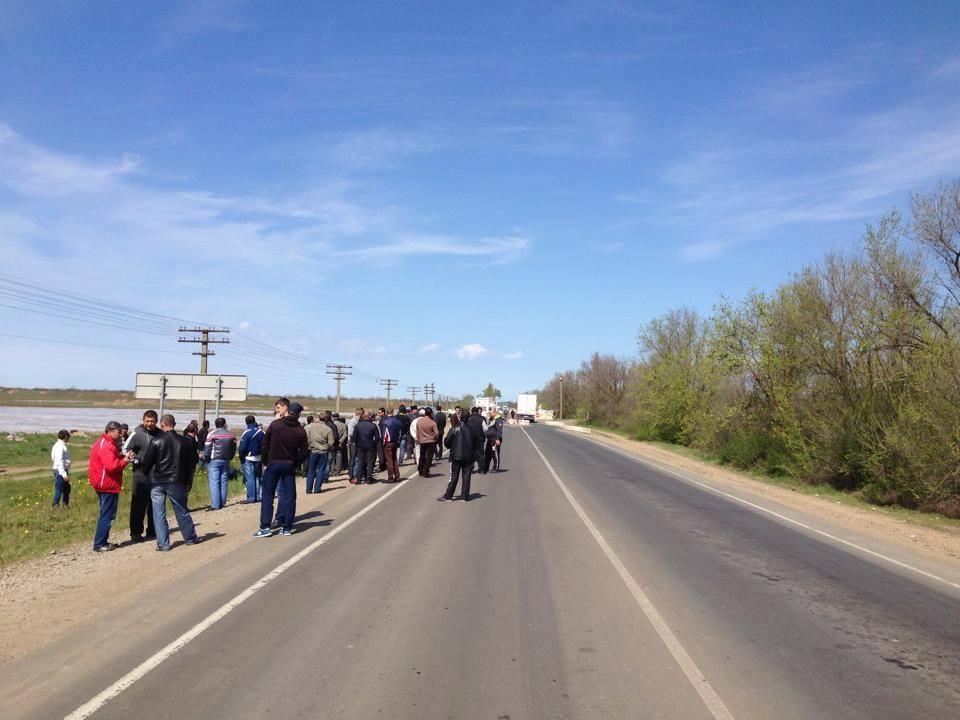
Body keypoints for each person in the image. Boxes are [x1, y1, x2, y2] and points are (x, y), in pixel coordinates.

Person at [140, 414, 201, 551]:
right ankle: (190, 538)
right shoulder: (184, 441)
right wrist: (187, 480)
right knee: (181, 510)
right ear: (174, 424)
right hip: (176, 480)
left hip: (157, 481)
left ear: (162, 425)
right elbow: (190, 463)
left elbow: (147, 462)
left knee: (158, 513)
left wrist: (147, 474)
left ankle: (163, 544)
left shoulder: (156, 440)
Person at [254, 399, 308, 537]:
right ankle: (287, 527)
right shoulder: (300, 431)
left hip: (273, 464)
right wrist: (295, 463)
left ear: (287, 410)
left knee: (268, 496)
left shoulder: (275, 425)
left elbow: (265, 445)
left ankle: (265, 527)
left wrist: (265, 461)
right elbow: (304, 452)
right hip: (288, 465)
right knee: (289, 497)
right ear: (298, 415)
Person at [88, 421, 135, 552]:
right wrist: (125, 460)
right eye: (119, 432)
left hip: (103, 483)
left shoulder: (107, 443)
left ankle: (102, 541)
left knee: (106, 513)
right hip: (107, 484)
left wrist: (122, 457)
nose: (121, 434)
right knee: (108, 515)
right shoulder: (106, 445)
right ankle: (99, 543)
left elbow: (112, 460)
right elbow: (111, 466)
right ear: (110, 431)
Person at [123, 410, 160, 542]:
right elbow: (125, 449)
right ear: (143, 420)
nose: (149, 424)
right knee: (138, 505)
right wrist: (137, 459)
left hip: (157, 475)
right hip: (140, 475)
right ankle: (136, 533)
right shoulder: (137, 434)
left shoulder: (161, 434)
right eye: (147, 421)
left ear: (157, 421)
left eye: (152, 421)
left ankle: (153, 530)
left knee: (155, 504)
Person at [438, 414, 474, 501]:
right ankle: (464, 496)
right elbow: (476, 443)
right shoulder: (472, 430)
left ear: (461, 418)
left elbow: (447, 442)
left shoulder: (454, 428)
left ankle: (448, 495)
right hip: (468, 456)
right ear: (468, 418)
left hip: (456, 456)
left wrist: (452, 446)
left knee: (454, 476)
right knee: (466, 476)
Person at [203, 417, 236, 510]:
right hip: (226, 460)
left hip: (214, 460)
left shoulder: (212, 434)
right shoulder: (231, 434)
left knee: (214, 482)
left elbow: (207, 448)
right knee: (224, 481)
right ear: (224, 424)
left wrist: (206, 458)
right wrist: (230, 457)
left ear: (216, 424)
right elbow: (233, 448)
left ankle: (215, 504)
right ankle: (222, 503)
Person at [305, 412, 335, 493]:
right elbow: (331, 442)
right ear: (326, 419)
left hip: (313, 450)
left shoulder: (312, 427)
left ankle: (308, 489)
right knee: (321, 470)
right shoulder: (328, 429)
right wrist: (327, 447)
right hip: (323, 451)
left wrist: (311, 445)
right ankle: (317, 489)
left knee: (311, 470)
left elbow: (307, 437)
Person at [238, 415, 264, 503]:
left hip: (248, 457)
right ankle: (258, 496)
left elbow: (242, 447)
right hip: (259, 457)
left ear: (246, 423)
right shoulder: (262, 432)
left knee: (250, 478)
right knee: (257, 477)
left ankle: (251, 497)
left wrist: (241, 457)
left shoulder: (246, 433)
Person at [351, 411, 380, 484]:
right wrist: (374, 444)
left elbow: (354, 437)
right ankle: (369, 479)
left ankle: (359, 479)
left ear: (363, 416)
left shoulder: (358, 425)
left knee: (360, 462)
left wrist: (357, 443)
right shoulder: (373, 426)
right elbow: (377, 438)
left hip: (360, 446)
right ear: (369, 416)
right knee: (369, 463)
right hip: (370, 445)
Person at [415, 407, 439, 477]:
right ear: (431, 413)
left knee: (422, 456)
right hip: (431, 441)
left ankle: (420, 469)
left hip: (422, 441)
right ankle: (426, 470)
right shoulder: (433, 422)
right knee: (429, 457)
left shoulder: (419, 421)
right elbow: (437, 433)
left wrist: (418, 438)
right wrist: (435, 438)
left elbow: (417, 431)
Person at [51, 429, 72, 507]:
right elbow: (60, 461)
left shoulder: (57, 445)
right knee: (59, 489)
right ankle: (54, 505)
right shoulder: (60, 446)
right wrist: (64, 474)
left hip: (60, 469)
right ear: (66, 436)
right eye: (68, 437)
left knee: (66, 489)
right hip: (60, 470)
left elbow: (53, 457)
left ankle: (65, 505)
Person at [381, 409, 402, 482]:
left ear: (387, 413)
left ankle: (390, 477)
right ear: (392, 413)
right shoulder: (397, 421)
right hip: (395, 442)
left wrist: (383, 443)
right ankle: (397, 476)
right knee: (394, 459)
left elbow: (384, 434)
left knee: (389, 460)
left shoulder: (385, 422)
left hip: (388, 442)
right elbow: (400, 433)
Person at [483, 408, 505, 473]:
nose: (489, 414)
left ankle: (496, 467)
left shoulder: (498, 420)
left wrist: (497, 439)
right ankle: (486, 467)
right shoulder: (491, 419)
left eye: (490, 413)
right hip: (490, 439)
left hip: (495, 439)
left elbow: (499, 430)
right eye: (489, 413)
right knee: (487, 453)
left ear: (495, 413)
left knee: (495, 454)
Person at [467, 408, 487, 473]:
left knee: (471, 454)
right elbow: (485, 429)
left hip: (471, 440)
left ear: (471, 412)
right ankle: (482, 469)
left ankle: (470, 468)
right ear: (477, 412)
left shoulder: (468, 419)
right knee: (481, 455)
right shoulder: (481, 419)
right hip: (480, 440)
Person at [322, 411, 339, 485]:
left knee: (322, 463)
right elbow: (335, 437)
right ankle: (325, 478)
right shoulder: (333, 425)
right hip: (330, 446)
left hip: (322, 446)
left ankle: (321, 477)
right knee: (328, 463)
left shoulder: (322, 425)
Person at [346, 408, 362, 482]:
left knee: (357, 460)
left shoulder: (359, 421)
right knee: (352, 460)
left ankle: (356, 475)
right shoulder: (352, 422)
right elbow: (350, 434)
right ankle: (351, 476)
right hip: (353, 443)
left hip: (358, 443)